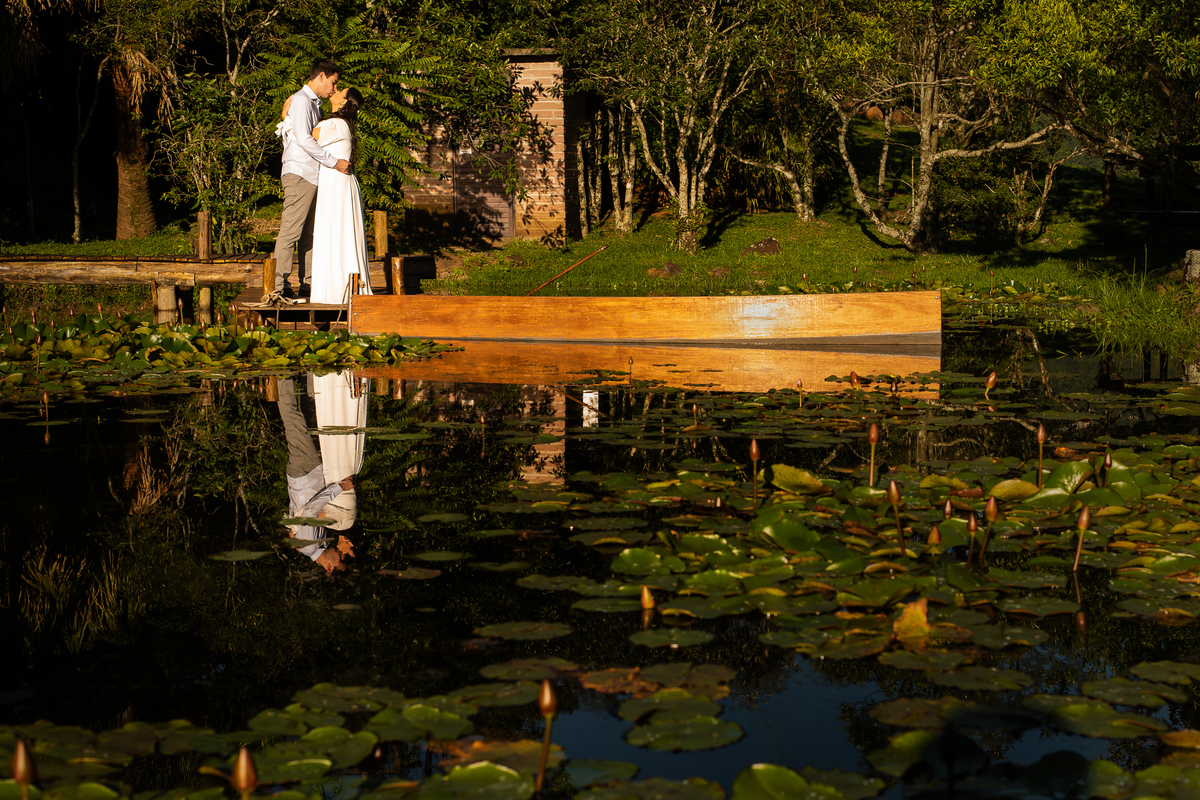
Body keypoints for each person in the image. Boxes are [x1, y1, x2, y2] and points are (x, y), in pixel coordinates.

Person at [266, 58, 351, 305]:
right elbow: (304, 139)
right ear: (321, 76)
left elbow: (298, 136)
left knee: (309, 233)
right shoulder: (302, 101)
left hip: (313, 174)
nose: (334, 89)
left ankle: (308, 282)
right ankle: (279, 286)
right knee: (291, 230)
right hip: (300, 173)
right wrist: (334, 162)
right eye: (334, 83)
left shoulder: (314, 104)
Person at [276, 371, 368, 573]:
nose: (341, 555)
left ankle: (281, 372)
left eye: (340, 560)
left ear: (328, 567)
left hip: (304, 475)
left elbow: (309, 511)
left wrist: (340, 487)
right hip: (314, 472)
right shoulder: (318, 544)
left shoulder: (309, 546)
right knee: (311, 413)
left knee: (293, 419)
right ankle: (309, 370)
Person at [309, 87, 373, 305]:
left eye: (339, 90)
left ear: (344, 102)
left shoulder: (334, 124)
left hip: (336, 185)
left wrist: (286, 120)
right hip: (340, 184)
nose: (333, 91)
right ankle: (342, 286)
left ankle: (336, 290)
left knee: (335, 233)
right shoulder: (342, 125)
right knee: (340, 233)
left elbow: (305, 139)